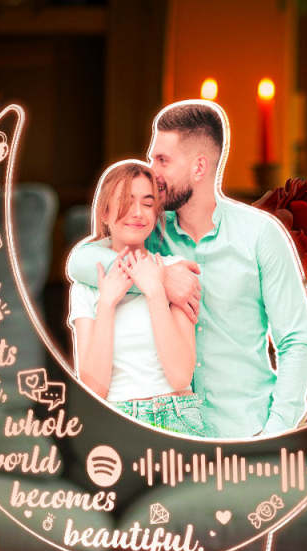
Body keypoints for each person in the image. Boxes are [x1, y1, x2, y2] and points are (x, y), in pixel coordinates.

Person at [66, 100, 307, 438]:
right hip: (171, 436)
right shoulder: (150, 232)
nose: (152, 171)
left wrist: (276, 432)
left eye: (162, 160)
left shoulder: (260, 235)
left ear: (199, 167)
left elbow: (297, 343)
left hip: (246, 430)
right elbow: (80, 262)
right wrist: (161, 278)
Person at [67, 160, 207, 437]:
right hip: (115, 419)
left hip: (176, 415)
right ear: (105, 212)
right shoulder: (87, 285)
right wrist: (106, 304)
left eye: (147, 203)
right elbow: (94, 388)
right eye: (126, 201)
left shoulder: (175, 272)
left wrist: (155, 291)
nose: (137, 212)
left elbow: (180, 376)